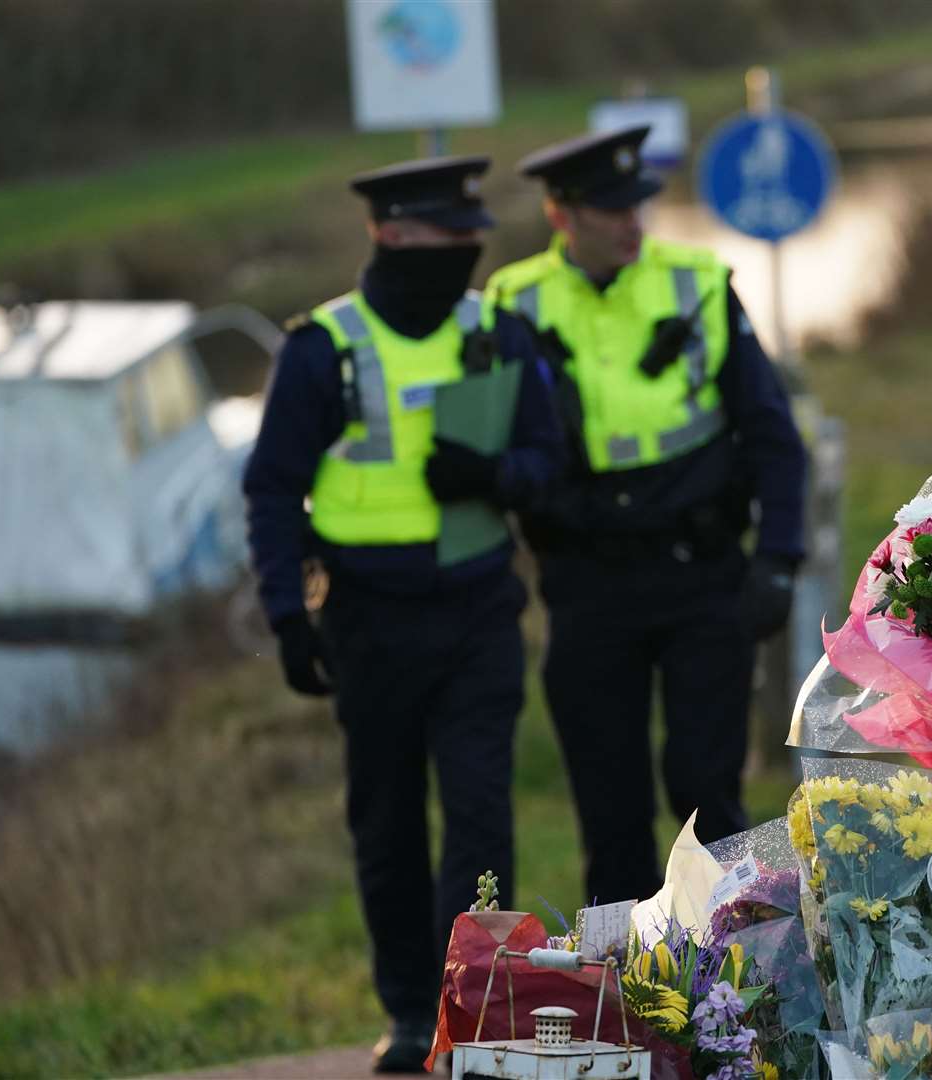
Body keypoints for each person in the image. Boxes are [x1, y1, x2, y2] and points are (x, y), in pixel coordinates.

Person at [243, 156, 563, 1073]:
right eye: (441, 235)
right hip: (369, 626)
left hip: (475, 616)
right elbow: (271, 489)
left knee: (479, 819)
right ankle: (408, 1011)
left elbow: (548, 458)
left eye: (471, 236)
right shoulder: (323, 350)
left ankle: (475, 1005)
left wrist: (498, 478)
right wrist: (285, 617)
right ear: (387, 233)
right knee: (385, 826)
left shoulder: (496, 333)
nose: (462, 250)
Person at [486, 125, 807, 905]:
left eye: (638, 204)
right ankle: (623, 997)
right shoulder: (512, 301)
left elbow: (772, 434)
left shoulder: (696, 282)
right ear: (561, 214)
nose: (633, 222)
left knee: (708, 794)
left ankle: (742, 984)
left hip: (699, 575)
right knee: (609, 806)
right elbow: (498, 450)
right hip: (586, 581)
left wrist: (778, 559)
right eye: (608, 209)